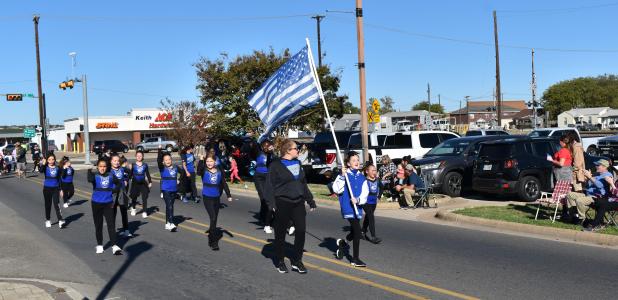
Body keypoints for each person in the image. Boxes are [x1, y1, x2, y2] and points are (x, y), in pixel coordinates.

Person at [264, 139, 316, 273]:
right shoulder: (275, 165)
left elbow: (303, 184)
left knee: (300, 231)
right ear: (288, 150)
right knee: (280, 234)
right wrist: (272, 204)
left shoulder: (298, 163)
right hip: (282, 202)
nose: (298, 150)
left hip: (298, 202)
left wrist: (310, 200)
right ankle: (280, 261)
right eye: (295, 148)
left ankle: (296, 260)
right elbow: (269, 186)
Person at [332, 151, 368, 267]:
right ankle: (355, 259)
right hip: (348, 208)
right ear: (348, 163)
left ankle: (343, 244)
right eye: (353, 160)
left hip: (357, 208)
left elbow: (365, 193)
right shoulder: (344, 175)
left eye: (357, 160)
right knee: (358, 231)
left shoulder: (362, 177)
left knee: (354, 231)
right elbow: (337, 189)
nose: (356, 162)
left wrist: (358, 200)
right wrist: (342, 176)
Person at [197, 154, 232, 251]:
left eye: (211, 161)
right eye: (207, 161)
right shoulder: (204, 170)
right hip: (207, 197)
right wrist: (201, 160)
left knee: (214, 219)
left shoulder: (219, 171)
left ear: (215, 162)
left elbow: (224, 183)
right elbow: (198, 172)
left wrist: (228, 195)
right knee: (212, 217)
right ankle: (213, 242)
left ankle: (211, 231)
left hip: (216, 197)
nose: (209, 163)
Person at [88, 159, 122, 255]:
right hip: (96, 203)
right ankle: (99, 245)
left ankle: (114, 245)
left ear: (107, 167)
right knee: (98, 225)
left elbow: (119, 183)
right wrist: (89, 170)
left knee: (111, 224)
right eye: (100, 166)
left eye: (104, 166)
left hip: (108, 203)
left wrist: (114, 190)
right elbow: (89, 179)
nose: (102, 168)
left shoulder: (111, 175)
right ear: (98, 167)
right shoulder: (95, 176)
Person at [565, 159, 613, 224]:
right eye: (596, 165)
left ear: (604, 167)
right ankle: (574, 215)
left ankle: (582, 219)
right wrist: (587, 179)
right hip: (588, 194)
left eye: (598, 165)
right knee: (569, 195)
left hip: (597, 197)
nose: (596, 166)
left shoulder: (608, 175)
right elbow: (588, 186)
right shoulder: (597, 174)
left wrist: (590, 177)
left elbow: (600, 185)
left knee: (579, 200)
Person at [158, 147, 182, 232]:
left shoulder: (175, 167)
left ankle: (167, 223)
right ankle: (171, 223)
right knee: (169, 206)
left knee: (170, 207)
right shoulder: (162, 168)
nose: (168, 161)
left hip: (174, 190)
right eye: (166, 160)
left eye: (169, 159)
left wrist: (179, 179)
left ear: (171, 160)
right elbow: (158, 160)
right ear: (163, 162)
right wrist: (159, 151)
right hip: (166, 190)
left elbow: (183, 173)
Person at [39, 153, 65, 229]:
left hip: (56, 188)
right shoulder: (45, 167)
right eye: (49, 159)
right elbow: (40, 171)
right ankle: (48, 220)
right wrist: (43, 164)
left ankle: (60, 220)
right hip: (47, 189)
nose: (51, 161)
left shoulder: (57, 168)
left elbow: (59, 179)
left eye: (53, 159)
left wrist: (61, 189)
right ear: (47, 160)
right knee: (48, 205)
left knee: (57, 204)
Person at [255, 140, 275, 234]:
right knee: (263, 198)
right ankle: (265, 219)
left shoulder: (272, 154)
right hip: (259, 177)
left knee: (268, 199)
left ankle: (264, 216)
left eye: (269, 145)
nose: (267, 147)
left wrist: (272, 152)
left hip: (268, 177)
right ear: (262, 147)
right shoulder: (259, 152)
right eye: (265, 146)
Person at [110, 154, 131, 237]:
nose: (116, 162)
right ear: (111, 162)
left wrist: (126, 179)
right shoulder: (109, 171)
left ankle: (126, 230)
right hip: (113, 194)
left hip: (122, 193)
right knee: (113, 213)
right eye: (114, 161)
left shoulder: (122, 169)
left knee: (124, 212)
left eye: (118, 161)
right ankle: (112, 231)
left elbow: (128, 173)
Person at [362, 164, 382, 244]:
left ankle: (363, 231)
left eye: (375, 170)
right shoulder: (364, 181)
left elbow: (382, 187)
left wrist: (379, 196)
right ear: (367, 171)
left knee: (368, 217)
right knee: (371, 216)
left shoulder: (377, 180)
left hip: (373, 202)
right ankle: (373, 237)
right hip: (365, 202)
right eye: (372, 170)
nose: (374, 172)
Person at [129, 151, 152, 218]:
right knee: (134, 197)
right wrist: (128, 179)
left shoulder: (145, 165)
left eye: (140, 156)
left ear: (142, 157)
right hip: (135, 183)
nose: (139, 157)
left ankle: (144, 211)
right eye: (138, 155)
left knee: (144, 197)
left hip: (143, 183)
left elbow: (147, 174)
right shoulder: (133, 165)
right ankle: (133, 209)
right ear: (135, 156)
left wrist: (150, 182)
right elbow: (130, 174)